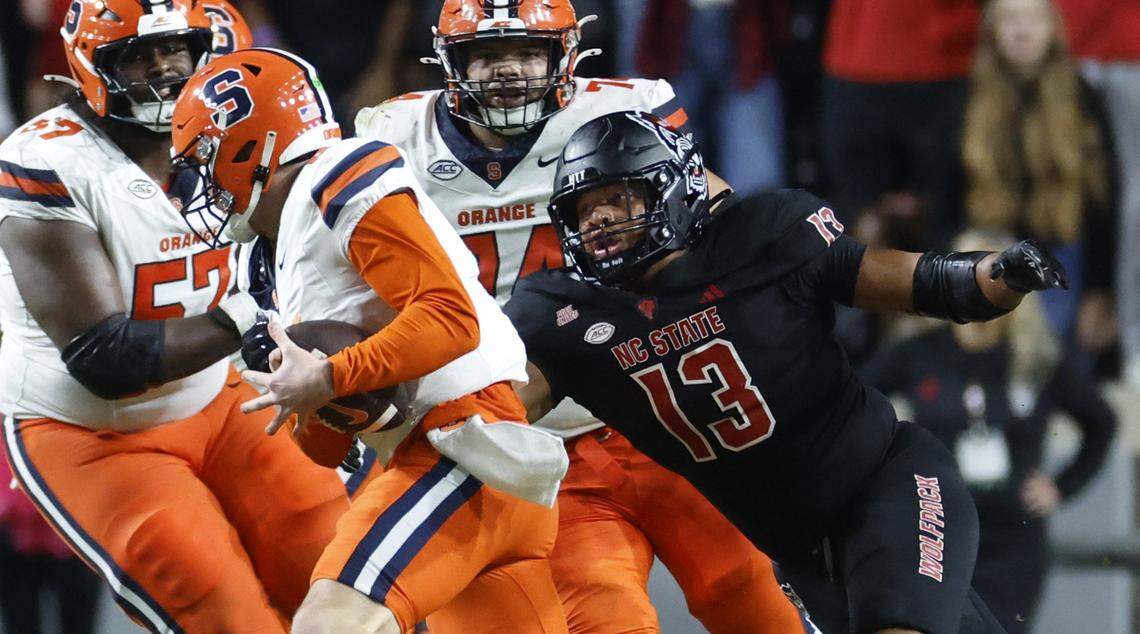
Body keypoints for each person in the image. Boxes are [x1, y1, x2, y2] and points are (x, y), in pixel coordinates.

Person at [505, 110, 1070, 634]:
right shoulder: (564, 318)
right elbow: (497, 410)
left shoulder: (764, 237)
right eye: (585, 209)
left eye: (617, 198)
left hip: (886, 486)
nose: (600, 219)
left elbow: (920, 283)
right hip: (800, 555)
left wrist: (997, 274)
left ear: (673, 193)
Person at [352, 1, 808, 631]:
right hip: (534, 440)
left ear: (565, 55)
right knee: (606, 612)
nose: (506, 73)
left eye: (525, 54)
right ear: (449, 62)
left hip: (653, 403)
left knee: (752, 593)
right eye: (485, 55)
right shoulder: (394, 138)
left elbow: (718, 220)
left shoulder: (620, 113)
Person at [170, 47, 570, 634]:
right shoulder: (266, 260)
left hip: (460, 448)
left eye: (203, 157)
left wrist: (330, 375)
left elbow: (450, 318)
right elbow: (331, 448)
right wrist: (310, 395)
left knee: (329, 624)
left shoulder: (337, 175)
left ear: (247, 142)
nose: (194, 184)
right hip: (433, 463)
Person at [0, 1, 348, 631]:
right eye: (138, 56)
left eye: (176, 51)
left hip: (221, 397)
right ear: (90, 64)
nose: (163, 71)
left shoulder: (223, 132)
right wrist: (253, 312)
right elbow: (105, 359)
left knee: (344, 576)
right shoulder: (47, 160)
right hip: (95, 434)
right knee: (229, 612)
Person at [862, 230, 1118, 634]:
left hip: (1012, 539)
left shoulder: (1038, 357)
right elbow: (857, 400)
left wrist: (1060, 487)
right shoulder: (918, 351)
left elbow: (1102, 423)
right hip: (938, 532)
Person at [962, 0, 1118, 362]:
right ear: (992, 30)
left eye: (1033, 19)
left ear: (1053, 28)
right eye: (1011, 20)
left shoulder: (1082, 97)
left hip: (1060, 250)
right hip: (990, 251)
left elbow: (1100, 202)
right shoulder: (965, 97)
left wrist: (1100, 290)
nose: (1022, 31)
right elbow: (950, 193)